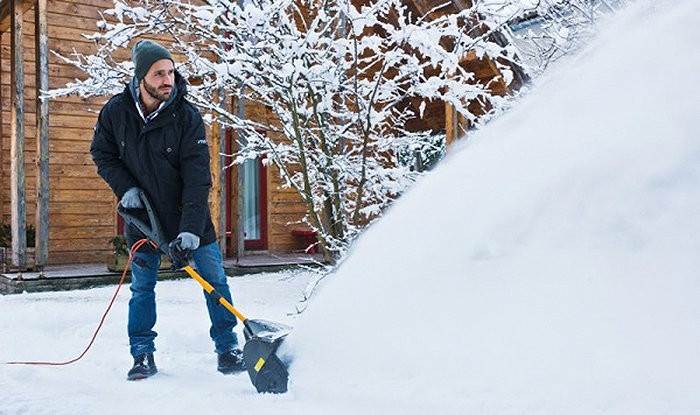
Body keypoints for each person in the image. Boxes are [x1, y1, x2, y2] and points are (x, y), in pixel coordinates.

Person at [90, 40, 245, 381]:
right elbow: (103, 154)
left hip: (191, 220)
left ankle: (228, 347)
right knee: (142, 288)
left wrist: (190, 229)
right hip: (144, 222)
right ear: (140, 77)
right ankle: (142, 354)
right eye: (159, 73)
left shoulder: (186, 117)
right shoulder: (116, 112)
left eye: (171, 72)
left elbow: (198, 177)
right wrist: (126, 187)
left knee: (215, 283)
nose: (167, 80)